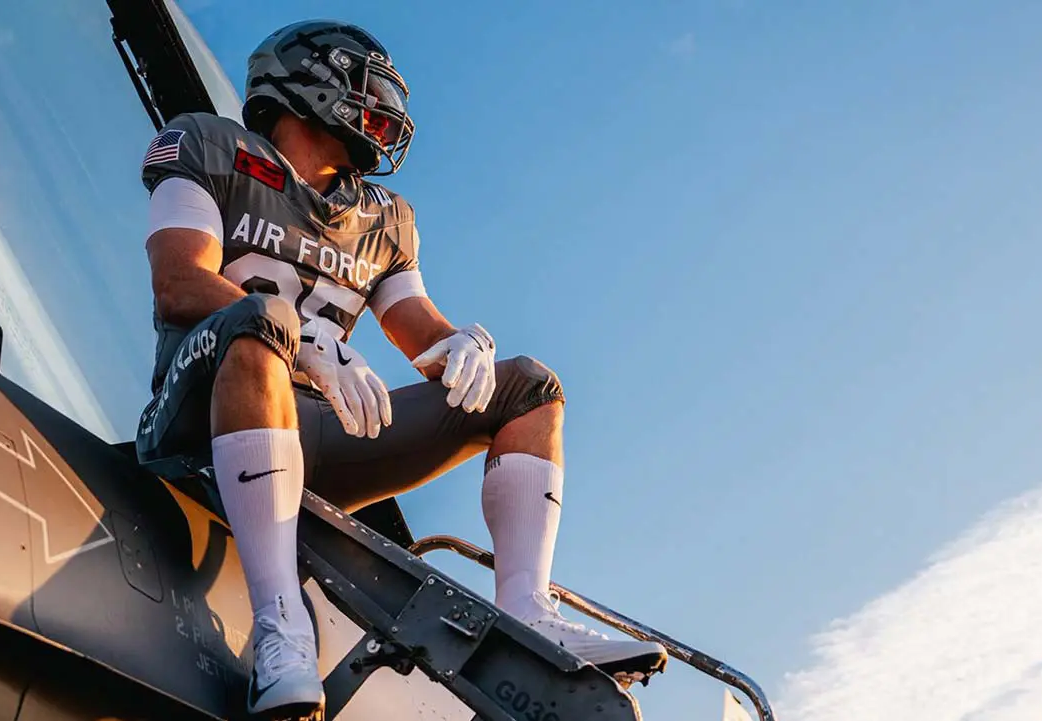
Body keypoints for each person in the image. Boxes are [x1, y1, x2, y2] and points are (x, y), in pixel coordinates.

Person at [135, 20, 667, 720]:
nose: (382, 109)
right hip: (203, 412)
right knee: (264, 321)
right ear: (304, 81)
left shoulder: (382, 218)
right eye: (365, 85)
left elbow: (416, 325)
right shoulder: (213, 146)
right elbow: (178, 281)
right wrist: (298, 340)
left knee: (530, 387)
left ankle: (529, 609)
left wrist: (460, 346)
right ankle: (279, 628)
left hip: (317, 429)